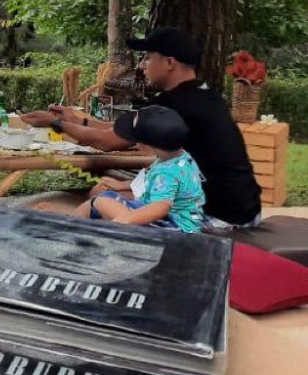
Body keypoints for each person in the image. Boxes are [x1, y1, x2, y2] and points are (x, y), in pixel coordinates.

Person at [21, 25, 262, 230]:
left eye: (148, 58)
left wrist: (55, 123)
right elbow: (117, 128)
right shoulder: (204, 96)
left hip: (216, 217)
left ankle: (67, 223)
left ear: (169, 62)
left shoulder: (174, 104)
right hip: (243, 209)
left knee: (100, 198)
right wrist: (74, 119)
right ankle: (73, 217)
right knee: (102, 190)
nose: (143, 65)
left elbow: (107, 140)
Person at [86, 105, 204, 231]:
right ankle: (73, 222)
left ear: (147, 147)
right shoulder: (177, 158)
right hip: (176, 218)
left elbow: (161, 207)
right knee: (103, 194)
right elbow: (152, 182)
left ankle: (70, 226)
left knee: (101, 202)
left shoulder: (167, 173)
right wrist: (122, 184)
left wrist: (126, 220)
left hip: (174, 227)